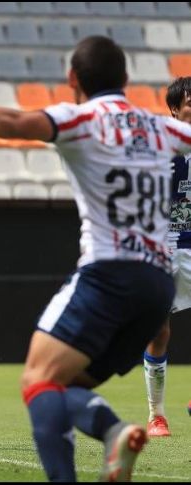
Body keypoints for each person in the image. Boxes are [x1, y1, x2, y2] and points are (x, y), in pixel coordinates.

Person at [0, 35, 191, 481]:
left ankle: (100, 442)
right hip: (157, 284)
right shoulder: (161, 127)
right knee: (63, 386)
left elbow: (14, 121)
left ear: (72, 79)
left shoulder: (82, 118)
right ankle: (111, 432)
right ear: (126, 80)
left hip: (109, 273)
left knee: (36, 381)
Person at [141, 76, 191, 438]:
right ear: (175, 109)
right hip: (166, 245)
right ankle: (157, 415)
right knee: (159, 330)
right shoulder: (158, 147)